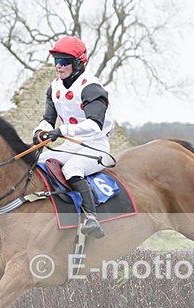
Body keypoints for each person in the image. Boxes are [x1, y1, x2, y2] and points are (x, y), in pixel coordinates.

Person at [33, 36, 115, 239]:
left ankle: (91, 218)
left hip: (96, 146)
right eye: (56, 61)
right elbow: (48, 120)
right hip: (72, 145)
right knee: (41, 161)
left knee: (72, 169)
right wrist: (40, 131)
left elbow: (94, 125)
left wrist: (62, 132)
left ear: (79, 63)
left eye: (64, 62)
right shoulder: (54, 87)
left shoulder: (92, 88)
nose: (59, 67)